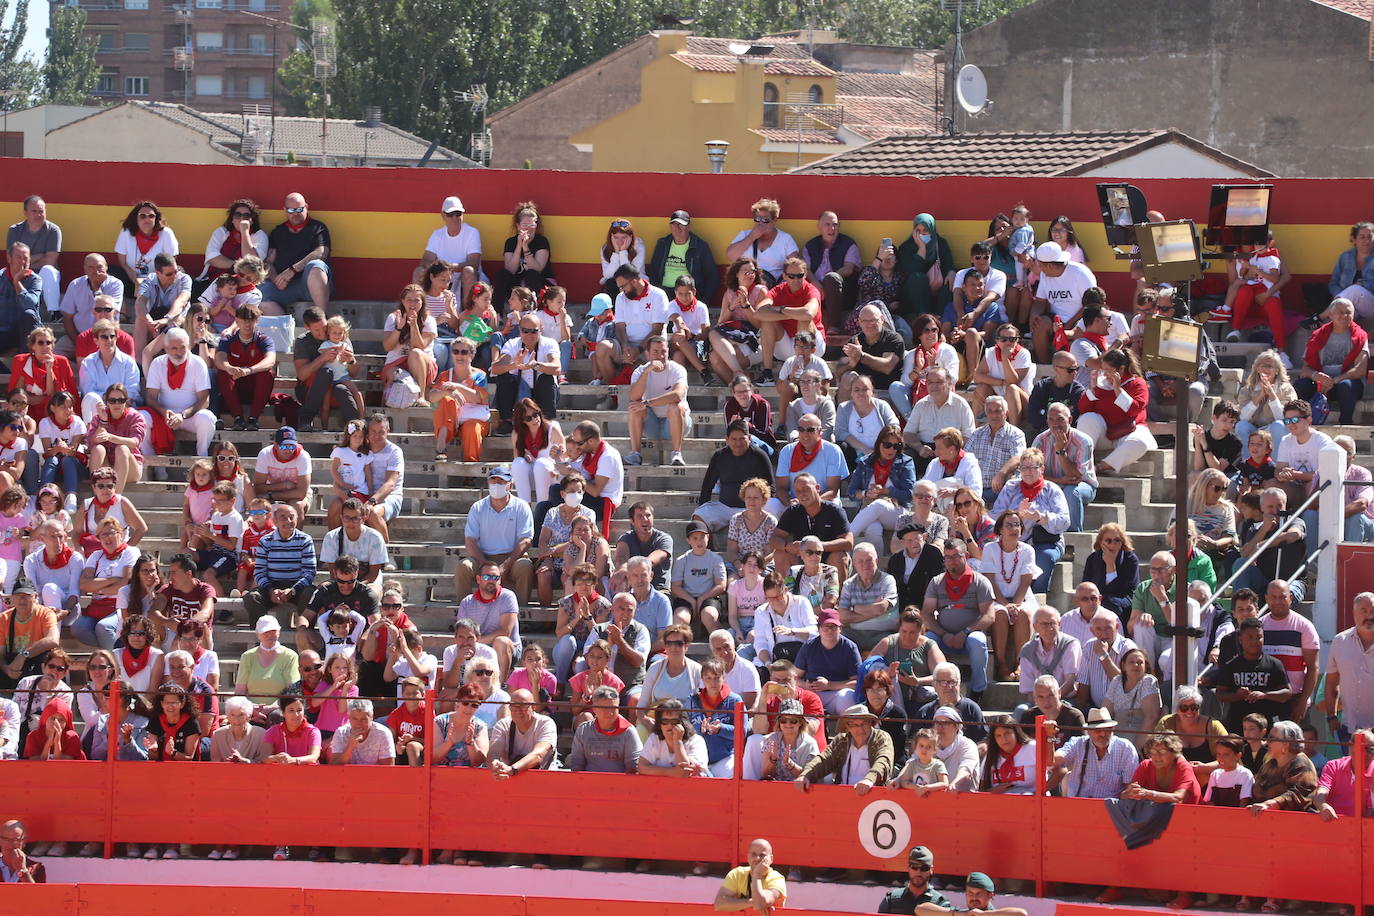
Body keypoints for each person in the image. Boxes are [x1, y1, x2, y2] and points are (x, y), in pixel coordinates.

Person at [922, 540, 995, 700]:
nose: (951, 561)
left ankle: (977, 690)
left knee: (978, 641)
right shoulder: (936, 582)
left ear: (966, 556)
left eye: (956, 556)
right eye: (947, 557)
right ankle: (932, 689)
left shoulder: (980, 582)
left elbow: (989, 616)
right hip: (943, 635)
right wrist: (943, 634)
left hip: (970, 635)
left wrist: (965, 632)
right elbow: (926, 614)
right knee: (927, 640)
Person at [453, 465, 534, 602]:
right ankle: (465, 613)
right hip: (482, 557)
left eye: (501, 482)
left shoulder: (521, 506)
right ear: (488, 483)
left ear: (510, 485)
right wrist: (487, 566)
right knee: (464, 567)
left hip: (512, 557)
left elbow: (525, 540)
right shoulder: (478, 507)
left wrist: (506, 565)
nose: (497, 485)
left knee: (525, 567)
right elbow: (470, 541)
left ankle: (522, 613)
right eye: (493, 481)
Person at [139, 327, 217, 458]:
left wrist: (182, 415)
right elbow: (151, 398)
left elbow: (204, 400)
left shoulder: (198, 363)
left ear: (189, 346)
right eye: (174, 348)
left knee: (207, 418)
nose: (178, 353)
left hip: (189, 416)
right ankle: (150, 460)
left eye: (182, 348)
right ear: (166, 348)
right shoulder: (158, 363)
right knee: (140, 417)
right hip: (164, 417)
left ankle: (201, 458)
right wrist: (164, 412)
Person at [695, 420, 775, 534]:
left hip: (753, 509)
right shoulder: (720, 456)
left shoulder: (759, 456)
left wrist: (758, 508)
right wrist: (703, 506)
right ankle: (708, 548)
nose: (738, 443)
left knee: (776, 506)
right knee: (699, 516)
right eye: (734, 439)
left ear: (750, 438)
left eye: (742, 439)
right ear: (727, 439)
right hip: (725, 508)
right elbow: (707, 485)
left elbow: (770, 487)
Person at [548, 420, 624, 539]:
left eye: (579, 443)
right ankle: (539, 549)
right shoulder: (591, 450)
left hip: (602, 503)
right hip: (590, 496)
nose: (577, 446)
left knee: (556, 490)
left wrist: (569, 472)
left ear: (591, 441)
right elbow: (570, 461)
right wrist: (557, 456)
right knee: (544, 506)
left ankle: (564, 535)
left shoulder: (607, 457)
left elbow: (595, 491)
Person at [770, 473, 854, 581]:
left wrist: (816, 547)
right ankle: (787, 595)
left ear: (817, 488)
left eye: (806, 489)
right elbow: (774, 538)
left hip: (828, 557)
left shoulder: (834, 511)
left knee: (838, 556)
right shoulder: (793, 511)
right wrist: (787, 546)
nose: (802, 494)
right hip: (803, 559)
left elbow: (848, 542)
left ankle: (838, 596)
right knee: (780, 553)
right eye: (798, 491)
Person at [1297, 296, 1367, 424]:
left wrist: (1334, 380)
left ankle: (1346, 425)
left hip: (1345, 383)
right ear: (1331, 315)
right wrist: (1316, 376)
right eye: (1340, 312)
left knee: (1346, 386)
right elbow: (1305, 369)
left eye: (1348, 312)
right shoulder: (1318, 335)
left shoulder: (1360, 335)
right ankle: (1301, 424)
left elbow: (1361, 369)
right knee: (1300, 386)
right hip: (1320, 384)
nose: (1344, 316)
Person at [795, 703, 893, 794]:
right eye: (854, 724)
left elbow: (883, 760)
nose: (860, 729)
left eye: (864, 723)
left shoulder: (881, 737)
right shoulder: (841, 740)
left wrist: (869, 779)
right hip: (843, 794)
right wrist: (805, 775)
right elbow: (823, 759)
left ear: (871, 723)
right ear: (847, 727)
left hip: (874, 795)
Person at [625, 335, 691, 468]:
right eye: (655, 352)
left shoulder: (677, 369)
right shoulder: (640, 371)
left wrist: (646, 403)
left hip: (675, 421)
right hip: (652, 424)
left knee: (675, 406)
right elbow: (633, 396)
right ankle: (635, 454)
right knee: (633, 408)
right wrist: (646, 373)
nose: (660, 356)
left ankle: (677, 453)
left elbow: (677, 395)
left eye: (663, 352)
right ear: (647, 354)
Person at [244, 503, 315, 624]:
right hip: (271, 585)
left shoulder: (305, 540)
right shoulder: (265, 541)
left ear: (297, 519)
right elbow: (259, 572)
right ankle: (261, 637)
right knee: (252, 597)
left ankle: (306, 635)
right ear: (275, 521)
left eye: (291, 517)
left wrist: (292, 590)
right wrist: (271, 590)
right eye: (283, 517)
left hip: (297, 586)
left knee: (310, 594)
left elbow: (309, 573)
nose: (288, 521)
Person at [261, 192, 331, 314]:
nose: (296, 213)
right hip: (286, 288)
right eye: (291, 210)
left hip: (311, 285)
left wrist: (293, 270)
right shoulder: (278, 232)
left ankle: (322, 320)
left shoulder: (318, 228)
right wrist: (276, 279)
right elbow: (268, 262)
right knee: (257, 293)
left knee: (316, 266)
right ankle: (285, 327)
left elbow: (321, 252)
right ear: (284, 210)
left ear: (306, 207)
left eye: (299, 209)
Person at [491, 312, 559, 436]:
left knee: (546, 377)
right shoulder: (512, 344)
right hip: (520, 391)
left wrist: (536, 365)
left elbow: (557, 367)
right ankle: (507, 421)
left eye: (534, 331)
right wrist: (513, 365)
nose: (529, 335)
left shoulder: (549, 343)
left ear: (541, 330)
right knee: (505, 376)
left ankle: (546, 422)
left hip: (541, 391)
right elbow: (495, 368)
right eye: (525, 331)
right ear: (520, 330)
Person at [293, 307, 360, 431]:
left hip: (336, 386)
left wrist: (351, 361)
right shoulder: (303, 341)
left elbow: (353, 373)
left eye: (324, 327)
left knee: (342, 389)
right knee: (325, 373)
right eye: (317, 330)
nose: (323, 333)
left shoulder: (340, 335)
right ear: (307, 328)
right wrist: (321, 359)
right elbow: (302, 375)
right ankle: (305, 419)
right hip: (311, 392)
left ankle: (357, 428)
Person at [1029, 241, 1098, 363]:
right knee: (1039, 324)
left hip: (1081, 319)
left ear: (1049, 265)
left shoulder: (1080, 273)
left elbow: (1092, 304)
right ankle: (1045, 366)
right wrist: (1034, 315)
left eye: (1040, 264)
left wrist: (1068, 325)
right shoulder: (1045, 275)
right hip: (1056, 321)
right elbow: (1040, 301)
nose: (1038, 267)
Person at [212, 303, 275, 431]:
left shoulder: (264, 340)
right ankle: (238, 418)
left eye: (251, 320)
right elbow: (219, 359)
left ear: (257, 321)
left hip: (255, 389)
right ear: (237, 320)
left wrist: (249, 370)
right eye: (244, 320)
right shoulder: (228, 340)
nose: (247, 324)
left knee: (267, 373)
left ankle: (253, 419)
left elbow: (270, 360)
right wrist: (229, 367)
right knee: (223, 373)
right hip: (234, 389)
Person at [454, 560, 522, 678]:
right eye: (487, 576)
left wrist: (476, 642)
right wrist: (473, 644)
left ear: (500, 580)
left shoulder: (508, 597)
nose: (491, 580)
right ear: (478, 579)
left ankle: (500, 686)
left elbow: (505, 631)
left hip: (507, 650)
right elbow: (462, 632)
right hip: (477, 647)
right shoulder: (467, 602)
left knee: (501, 641)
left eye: (496, 577)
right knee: (459, 645)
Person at [1055, 707, 1139, 799]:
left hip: (1112, 809)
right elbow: (1052, 761)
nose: (1103, 734)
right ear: (1088, 731)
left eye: (1108, 729)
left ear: (1113, 728)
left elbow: (1130, 788)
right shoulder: (1077, 744)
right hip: (1079, 805)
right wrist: (1050, 737)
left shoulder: (1126, 749)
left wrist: (1126, 795)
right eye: (1098, 730)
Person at [902, 368, 974, 471]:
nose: (934, 386)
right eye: (930, 382)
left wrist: (949, 452)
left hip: (951, 453)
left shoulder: (961, 405)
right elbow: (908, 434)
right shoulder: (921, 405)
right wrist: (919, 448)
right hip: (925, 451)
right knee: (905, 459)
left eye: (939, 382)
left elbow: (969, 436)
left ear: (949, 383)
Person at [1325, 592, 1374, 735]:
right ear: (1354, 612)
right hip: (1349, 728)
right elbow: (1331, 682)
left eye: (1373, 611)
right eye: (1364, 611)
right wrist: (1331, 716)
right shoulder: (1340, 642)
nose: (1370, 616)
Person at [569, 684, 641, 774]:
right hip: (588, 782)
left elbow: (633, 767)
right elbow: (577, 764)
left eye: (614, 708)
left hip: (620, 784)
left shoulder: (628, 731)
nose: (610, 713)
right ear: (594, 708)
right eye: (605, 708)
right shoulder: (583, 730)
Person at [837, 542, 900, 643]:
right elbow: (843, 617)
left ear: (876, 560)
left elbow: (881, 608)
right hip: (854, 634)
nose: (865, 565)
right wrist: (873, 612)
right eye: (860, 561)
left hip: (883, 634)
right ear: (854, 563)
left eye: (869, 560)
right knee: (835, 639)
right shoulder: (849, 584)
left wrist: (855, 609)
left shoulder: (887, 580)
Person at [490, 688, 559, 775]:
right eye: (514, 705)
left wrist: (512, 769)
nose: (518, 710)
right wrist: (495, 765)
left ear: (533, 707)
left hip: (543, 778)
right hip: (509, 778)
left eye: (523, 705)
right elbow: (494, 752)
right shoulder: (502, 725)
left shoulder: (546, 724)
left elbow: (538, 755)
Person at [510, 397, 563, 505]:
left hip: (551, 475)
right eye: (528, 418)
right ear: (522, 421)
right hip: (531, 477)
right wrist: (523, 455)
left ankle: (541, 507)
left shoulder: (552, 428)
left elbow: (565, 454)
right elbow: (516, 457)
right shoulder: (517, 433)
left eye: (536, 414)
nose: (535, 419)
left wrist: (557, 454)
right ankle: (525, 507)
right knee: (518, 463)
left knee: (541, 463)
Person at [714, 838, 787, 913]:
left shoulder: (776, 878)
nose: (757, 858)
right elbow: (719, 904)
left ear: (771, 859)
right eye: (753, 854)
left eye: (762, 855)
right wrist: (752, 902)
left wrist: (757, 874)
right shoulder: (737, 874)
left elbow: (760, 904)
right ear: (748, 857)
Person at [1025, 351, 1085, 442]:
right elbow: (1032, 416)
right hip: (1043, 431)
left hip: (1067, 435)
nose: (1075, 373)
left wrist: (1046, 415)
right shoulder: (1042, 386)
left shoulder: (1077, 391)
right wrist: (1057, 420)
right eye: (1071, 370)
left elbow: (1073, 419)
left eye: (1077, 369)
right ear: (1056, 369)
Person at [878, 845, 952, 914]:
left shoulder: (940, 902)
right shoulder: (891, 900)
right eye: (914, 866)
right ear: (908, 867)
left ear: (931, 870)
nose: (918, 872)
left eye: (924, 868)